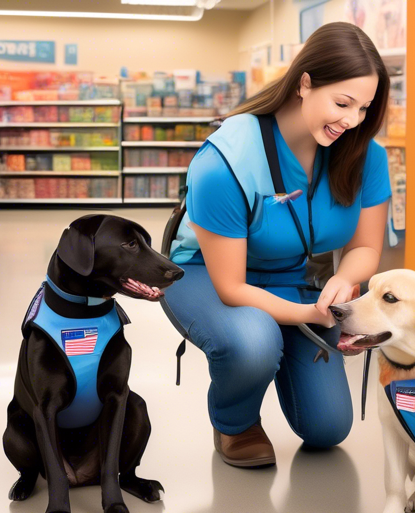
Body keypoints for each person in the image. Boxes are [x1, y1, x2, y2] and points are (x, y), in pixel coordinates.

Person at [163, 22, 392, 468]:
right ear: (305, 83)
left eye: (364, 108)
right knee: (253, 341)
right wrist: (312, 315)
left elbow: (365, 246)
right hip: (208, 276)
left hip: (294, 277)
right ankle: (235, 421)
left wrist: (345, 282)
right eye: (343, 103)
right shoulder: (225, 161)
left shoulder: (364, 153)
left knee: (328, 429)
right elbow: (231, 288)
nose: (352, 120)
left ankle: (277, 355)